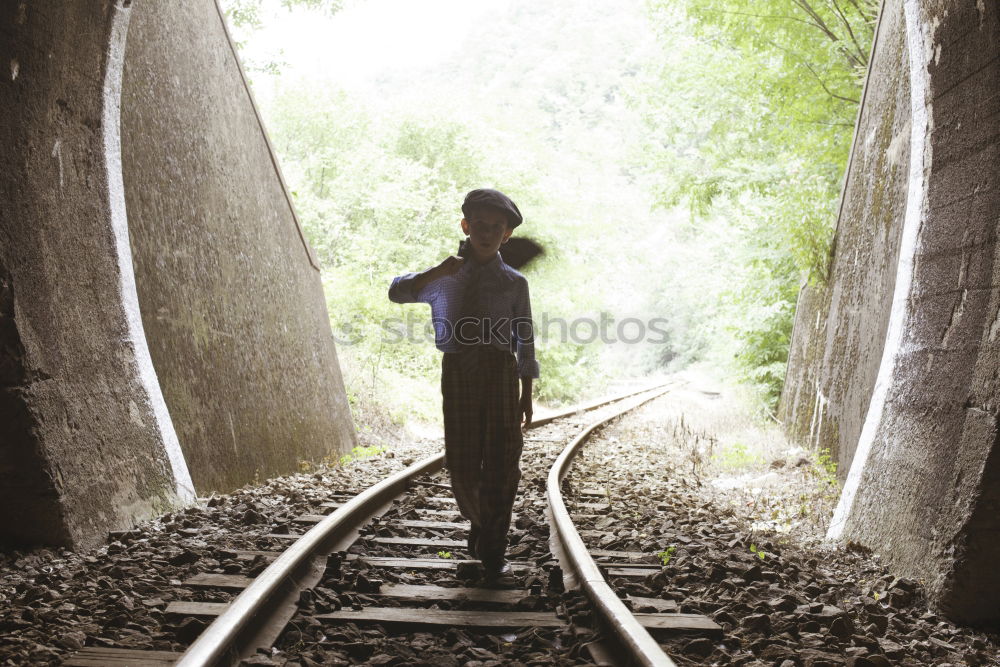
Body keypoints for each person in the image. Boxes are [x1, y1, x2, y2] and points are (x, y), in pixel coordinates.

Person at [388, 188, 538, 580]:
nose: (487, 234)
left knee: (504, 461)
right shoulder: (445, 278)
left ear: (506, 234)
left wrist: (527, 391)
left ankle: (492, 548)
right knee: (464, 462)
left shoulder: (513, 283)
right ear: (466, 226)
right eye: (480, 226)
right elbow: (396, 292)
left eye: (496, 228)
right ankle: (481, 525)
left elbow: (525, 335)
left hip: (501, 372)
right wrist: (437, 271)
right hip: (458, 373)